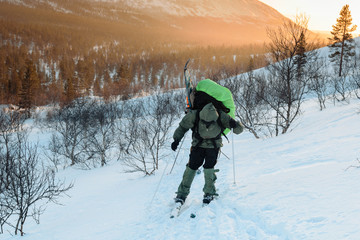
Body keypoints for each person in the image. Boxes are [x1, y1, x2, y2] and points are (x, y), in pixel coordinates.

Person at [171, 90, 243, 204]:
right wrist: (235, 124)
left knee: (192, 167)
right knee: (208, 168)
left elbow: (182, 126)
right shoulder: (221, 115)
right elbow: (239, 130)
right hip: (213, 146)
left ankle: (182, 194)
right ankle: (209, 194)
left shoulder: (195, 114)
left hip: (198, 145)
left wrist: (176, 140)